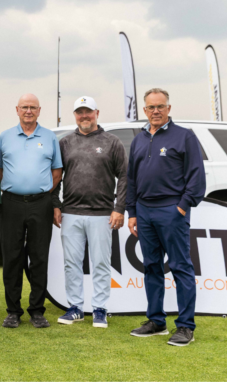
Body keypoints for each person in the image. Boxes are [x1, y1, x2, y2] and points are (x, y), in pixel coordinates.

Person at [127, 88, 205, 347]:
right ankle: (156, 321)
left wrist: (182, 207)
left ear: (169, 108)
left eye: (160, 106)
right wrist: (133, 212)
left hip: (172, 210)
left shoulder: (184, 136)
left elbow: (196, 178)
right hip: (144, 211)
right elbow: (131, 179)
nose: (156, 111)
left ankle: (185, 327)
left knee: (181, 267)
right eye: (151, 107)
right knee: (151, 267)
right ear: (145, 110)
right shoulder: (138, 140)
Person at [51, 96, 127, 329]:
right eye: (79, 112)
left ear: (97, 113)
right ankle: (74, 308)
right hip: (71, 212)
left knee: (101, 263)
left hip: (102, 214)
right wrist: (56, 203)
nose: (84, 116)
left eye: (88, 112)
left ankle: (100, 309)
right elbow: (55, 176)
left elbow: (124, 176)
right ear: (75, 115)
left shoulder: (112, 142)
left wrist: (119, 208)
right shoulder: (64, 143)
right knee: (71, 263)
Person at [0, 94, 60, 329]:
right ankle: (13, 311)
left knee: (39, 257)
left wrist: (39, 192)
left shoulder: (50, 137)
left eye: (33, 107)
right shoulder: (5, 137)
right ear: (17, 110)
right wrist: (17, 187)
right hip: (11, 203)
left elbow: (56, 172)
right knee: (11, 257)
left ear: (39, 110)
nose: (29, 111)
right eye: (25, 107)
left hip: (40, 203)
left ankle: (37, 310)